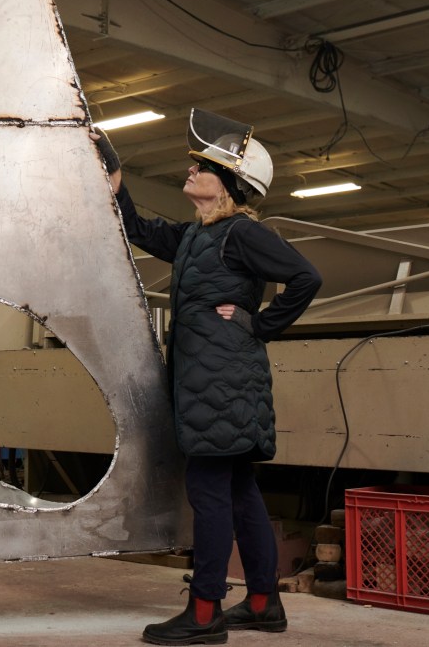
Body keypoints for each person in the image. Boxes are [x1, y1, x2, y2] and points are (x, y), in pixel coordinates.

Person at [90, 112, 322, 646]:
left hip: (224, 385)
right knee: (240, 493)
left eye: (204, 166)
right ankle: (263, 602)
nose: (191, 169)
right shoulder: (200, 236)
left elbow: (307, 276)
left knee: (211, 491)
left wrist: (258, 323)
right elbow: (141, 230)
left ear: (229, 185)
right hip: (212, 384)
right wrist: (115, 180)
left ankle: (204, 612)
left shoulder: (242, 233)